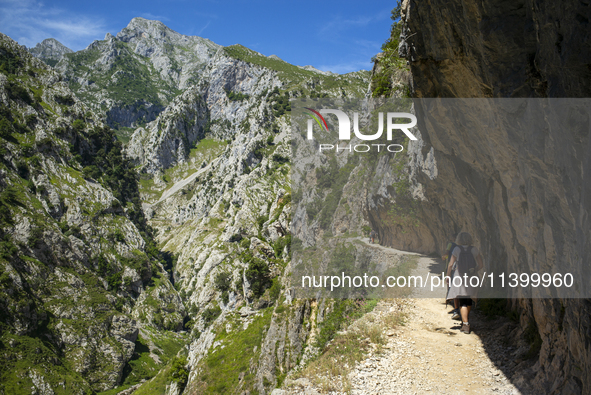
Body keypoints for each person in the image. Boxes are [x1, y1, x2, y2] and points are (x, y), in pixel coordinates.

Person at [446, 232, 484, 334]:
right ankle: (465, 320)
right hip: (472, 277)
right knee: (468, 300)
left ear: (459, 239)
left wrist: (448, 276)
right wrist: (474, 269)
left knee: (463, 301)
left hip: (460, 277)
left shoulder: (456, 249)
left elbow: (450, 265)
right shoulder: (474, 249)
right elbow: (481, 265)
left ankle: (466, 324)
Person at [442, 233, 460, 319]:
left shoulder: (451, 244)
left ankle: (450, 299)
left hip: (452, 267)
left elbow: (447, 253)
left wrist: (444, 257)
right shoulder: (461, 246)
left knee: (450, 283)